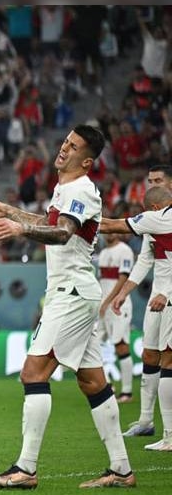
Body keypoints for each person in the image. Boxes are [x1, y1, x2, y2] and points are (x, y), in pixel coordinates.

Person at [0, 124, 136, 489]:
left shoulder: (81, 189)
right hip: (76, 292)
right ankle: (122, 470)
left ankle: (26, 469)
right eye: (65, 141)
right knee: (93, 382)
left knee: (33, 374)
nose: (64, 148)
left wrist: (18, 230)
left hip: (71, 294)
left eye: (73, 146)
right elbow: (50, 223)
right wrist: (8, 211)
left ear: (87, 161)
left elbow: (62, 232)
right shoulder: (65, 188)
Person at [101, 185, 172, 452]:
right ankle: (146, 421)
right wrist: (123, 293)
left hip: (168, 296)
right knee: (150, 354)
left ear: (153, 207)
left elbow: (110, 225)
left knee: (168, 360)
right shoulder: (154, 225)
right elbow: (144, 261)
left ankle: (170, 435)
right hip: (158, 297)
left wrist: (73, 220)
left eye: (156, 179)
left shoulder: (161, 216)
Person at [96, 232, 135, 403]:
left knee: (121, 346)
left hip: (119, 305)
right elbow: (102, 280)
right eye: (106, 231)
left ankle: (127, 391)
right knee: (94, 344)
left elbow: (123, 279)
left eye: (112, 230)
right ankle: (108, 386)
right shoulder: (103, 253)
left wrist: (108, 301)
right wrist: (101, 302)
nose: (109, 234)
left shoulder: (125, 250)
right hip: (103, 306)